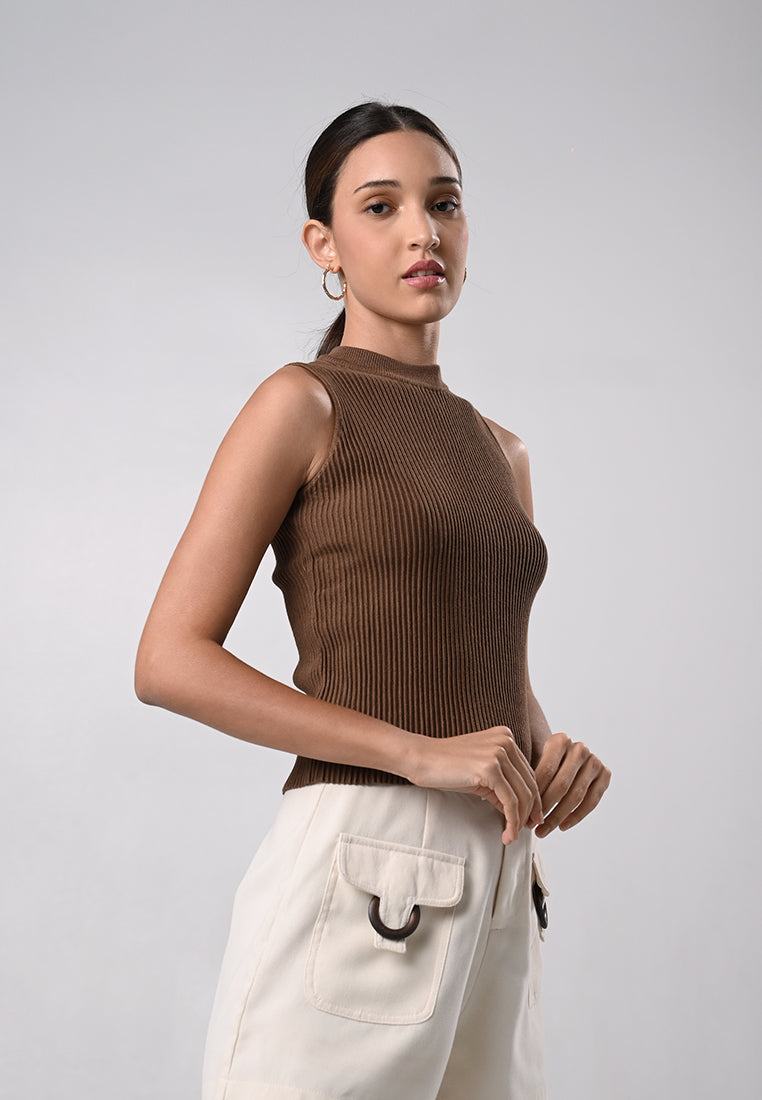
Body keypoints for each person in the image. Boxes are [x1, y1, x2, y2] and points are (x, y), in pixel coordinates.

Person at [135, 101, 611, 1100]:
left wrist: (548, 750)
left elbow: (492, 668)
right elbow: (169, 659)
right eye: (381, 206)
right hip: (366, 862)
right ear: (326, 244)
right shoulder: (302, 404)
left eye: (445, 204)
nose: (422, 232)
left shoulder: (503, 451)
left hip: (501, 878)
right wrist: (416, 752)